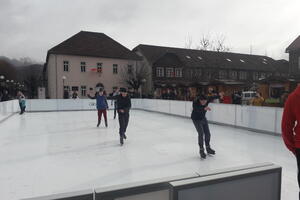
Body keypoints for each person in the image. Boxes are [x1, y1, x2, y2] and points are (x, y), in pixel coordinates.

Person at [282, 83, 300, 198]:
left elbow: (286, 125)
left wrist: (293, 147)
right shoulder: (294, 97)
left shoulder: (294, 97)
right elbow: (286, 125)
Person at [191, 94, 215, 159]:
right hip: (196, 119)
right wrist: (204, 108)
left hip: (203, 118)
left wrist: (219, 95)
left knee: (207, 133)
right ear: (199, 100)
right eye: (202, 101)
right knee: (201, 133)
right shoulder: (195, 102)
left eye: (205, 101)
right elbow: (196, 109)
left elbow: (212, 97)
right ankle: (201, 150)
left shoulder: (207, 100)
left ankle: (208, 148)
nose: (204, 102)